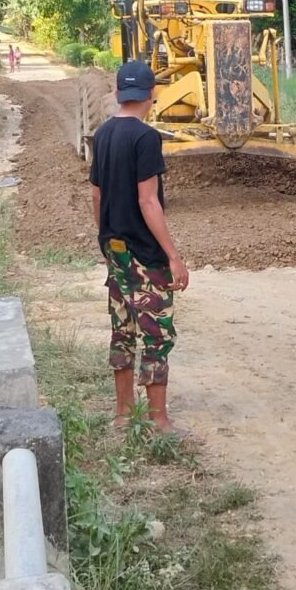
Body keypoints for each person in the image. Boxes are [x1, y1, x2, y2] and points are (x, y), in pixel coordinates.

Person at [89, 60, 190, 434]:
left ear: (118, 94)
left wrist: (106, 239)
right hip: (146, 256)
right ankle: (158, 420)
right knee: (156, 333)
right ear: (152, 95)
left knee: (123, 330)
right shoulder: (146, 138)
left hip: (115, 250)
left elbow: (97, 195)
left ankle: (122, 414)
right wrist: (173, 257)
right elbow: (149, 201)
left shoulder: (102, 135)